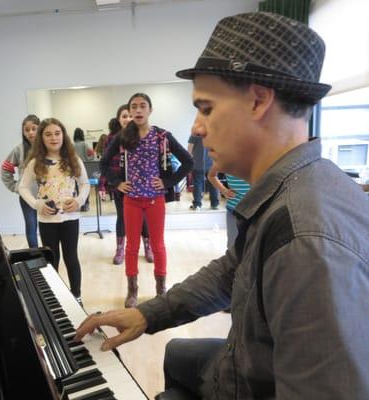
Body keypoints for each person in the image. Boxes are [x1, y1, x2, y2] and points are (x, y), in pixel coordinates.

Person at [75, 11, 369, 399]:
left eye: (206, 108)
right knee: (178, 351)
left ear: (258, 101)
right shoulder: (297, 185)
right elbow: (233, 270)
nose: (197, 127)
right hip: (243, 360)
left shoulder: (306, 241)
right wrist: (148, 314)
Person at [100, 94, 192, 307]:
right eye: (134, 107)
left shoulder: (162, 137)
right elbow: (104, 164)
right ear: (129, 111)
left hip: (155, 200)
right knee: (132, 247)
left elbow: (188, 161)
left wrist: (168, 182)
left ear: (150, 110)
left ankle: (161, 290)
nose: (138, 110)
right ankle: (132, 291)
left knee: (158, 245)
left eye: (143, 106)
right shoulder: (122, 136)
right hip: (131, 200)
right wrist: (116, 183)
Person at [19, 118, 89, 304]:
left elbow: (84, 184)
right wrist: (37, 204)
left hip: (70, 218)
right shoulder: (35, 163)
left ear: (63, 136)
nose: (53, 137)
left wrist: (79, 200)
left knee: (71, 257)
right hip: (47, 220)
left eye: (57, 133)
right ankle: (55, 300)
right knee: (51, 261)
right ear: (41, 138)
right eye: (48, 134)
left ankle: (77, 297)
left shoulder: (74, 160)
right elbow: (23, 188)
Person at [101, 107, 155, 266]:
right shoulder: (112, 138)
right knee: (122, 217)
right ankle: (120, 249)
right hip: (120, 185)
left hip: (141, 186)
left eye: (131, 116)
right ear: (118, 119)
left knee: (144, 217)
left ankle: (147, 247)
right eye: (125, 116)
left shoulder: (143, 136)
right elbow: (105, 163)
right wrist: (107, 185)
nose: (128, 119)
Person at [0, 114, 40, 248]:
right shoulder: (19, 150)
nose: (31, 132)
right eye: (27, 130)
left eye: (34, 128)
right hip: (26, 198)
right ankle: (35, 256)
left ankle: (49, 257)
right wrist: (15, 187)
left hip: (47, 196)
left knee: (47, 228)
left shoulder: (48, 149)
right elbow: (5, 169)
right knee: (31, 227)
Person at [207, 165, 250, 248]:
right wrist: (224, 190)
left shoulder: (259, 157)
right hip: (234, 209)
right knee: (233, 246)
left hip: (258, 210)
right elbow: (211, 175)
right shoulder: (226, 157)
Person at [188, 129, 219, 210]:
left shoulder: (195, 134)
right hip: (212, 164)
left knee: (198, 183)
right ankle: (215, 204)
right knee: (213, 183)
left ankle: (197, 204)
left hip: (198, 164)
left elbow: (189, 150)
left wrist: (189, 162)